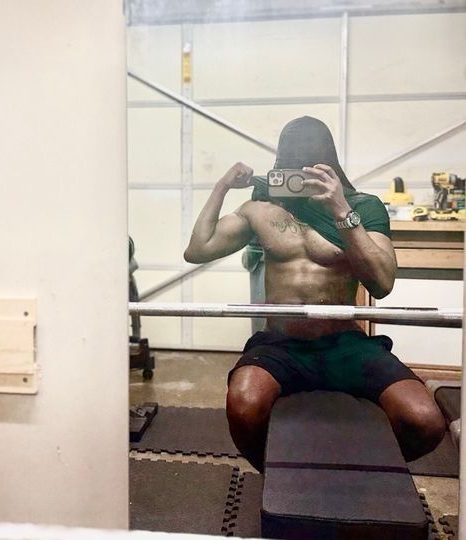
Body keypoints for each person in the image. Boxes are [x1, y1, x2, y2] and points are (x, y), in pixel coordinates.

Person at [184, 116, 445, 472]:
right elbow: (197, 250)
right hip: (281, 344)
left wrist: (340, 209)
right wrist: (222, 187)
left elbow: (382, 284)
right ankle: (281, 476)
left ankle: (355, 469)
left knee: (425, 420)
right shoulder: (261, 210)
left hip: (344, 344)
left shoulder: (362, 207)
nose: (300, 178)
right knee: (244, 404)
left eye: (308, 169)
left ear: (327, 164)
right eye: (293, 168)